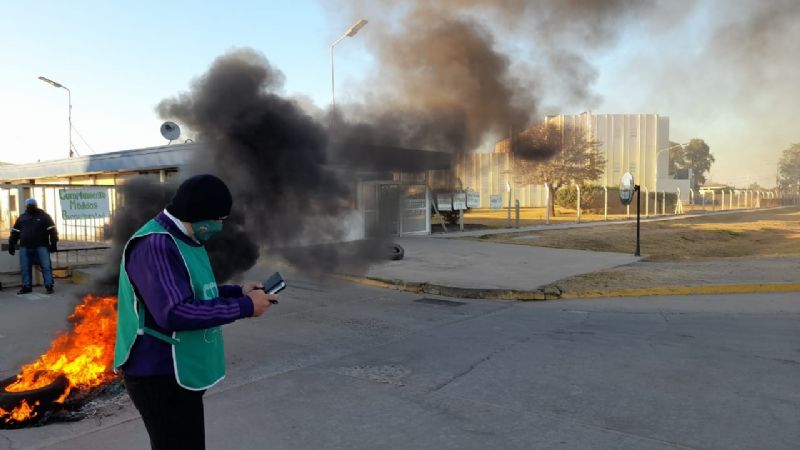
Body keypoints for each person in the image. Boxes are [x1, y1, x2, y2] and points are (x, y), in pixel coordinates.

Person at [113, 174, 276, 450]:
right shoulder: (156, 245)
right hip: (158, 374)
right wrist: (246, 307)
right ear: (199, 215)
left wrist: (239, 292)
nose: (220, 225)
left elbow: (194, 290)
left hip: (178, 369)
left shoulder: (183, 237)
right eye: (219, 219)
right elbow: (175, 312)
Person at [8, 198, 58, 294]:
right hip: (25, 247)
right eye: (29, 206)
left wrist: (54, 243)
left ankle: (49, 286)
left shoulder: (44, 216)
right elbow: (15, 232)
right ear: (26, 207)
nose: (30, 207)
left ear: (36, 206)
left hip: (41, 246)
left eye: (32, 205)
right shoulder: (22, 217)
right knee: (25, 267)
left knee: (46, 266)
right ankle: (26, 287)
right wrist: (11, 244)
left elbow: (53, 231)